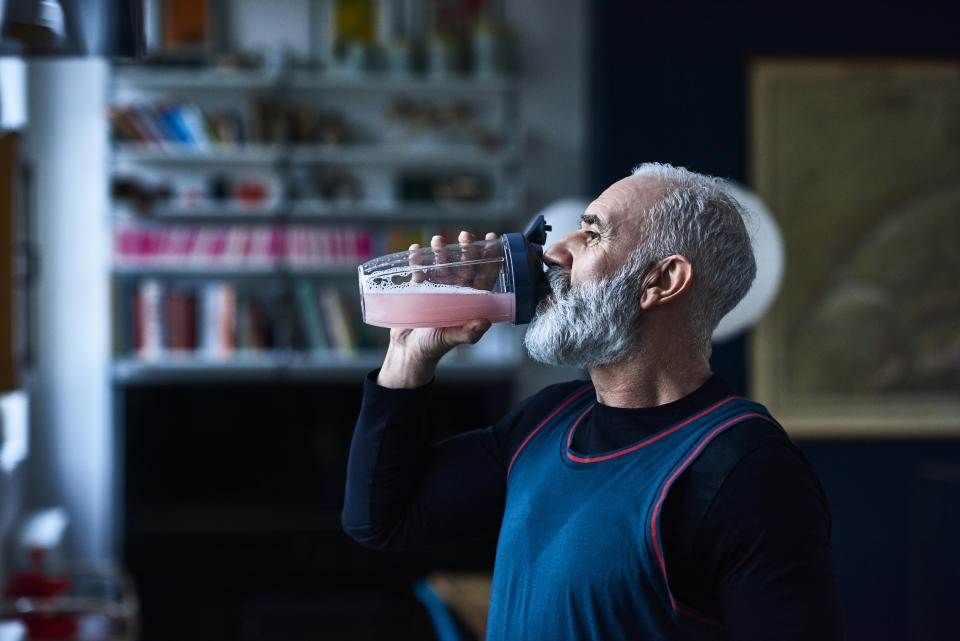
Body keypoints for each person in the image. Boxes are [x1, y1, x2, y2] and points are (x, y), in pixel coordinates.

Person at [342, 163, 843, 640]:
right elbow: (382, 520)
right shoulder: (547, 420)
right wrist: (409, 354)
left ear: (663, 281)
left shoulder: (746, 467)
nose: (556, 252)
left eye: (593, 233)